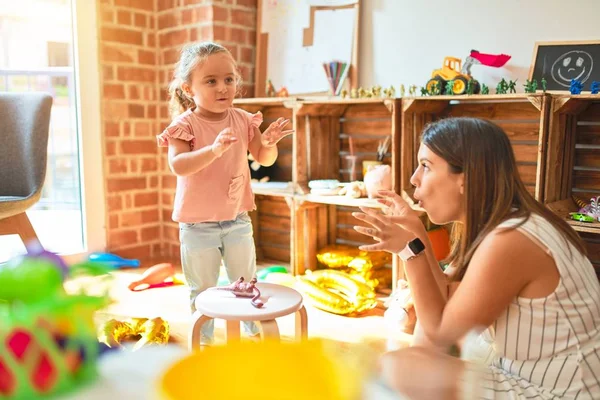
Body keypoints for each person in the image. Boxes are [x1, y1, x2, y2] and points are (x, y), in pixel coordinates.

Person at [353, 117, 600, 399]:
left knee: (396, 367)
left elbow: (440, 335)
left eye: (426, 166)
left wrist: (410, 251)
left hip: (561, 392)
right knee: (406, 364)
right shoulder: (506, 223)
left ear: (465, 177)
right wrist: (417, 232)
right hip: (537, 376)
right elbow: (445, 297)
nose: (413, 179)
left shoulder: (511, 240)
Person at [156, 42, 293, 345]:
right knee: (202, 288)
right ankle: (203, 341)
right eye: (211, 81)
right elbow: (178, 165)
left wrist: (268, 144)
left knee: (245, 282)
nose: (223, 88)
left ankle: (252, 331)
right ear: (189, 89)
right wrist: (214, 150)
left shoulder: (243, 119)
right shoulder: (183, 125)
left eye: (229, 79)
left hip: (237, 219)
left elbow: (263, 157)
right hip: (196, 224)